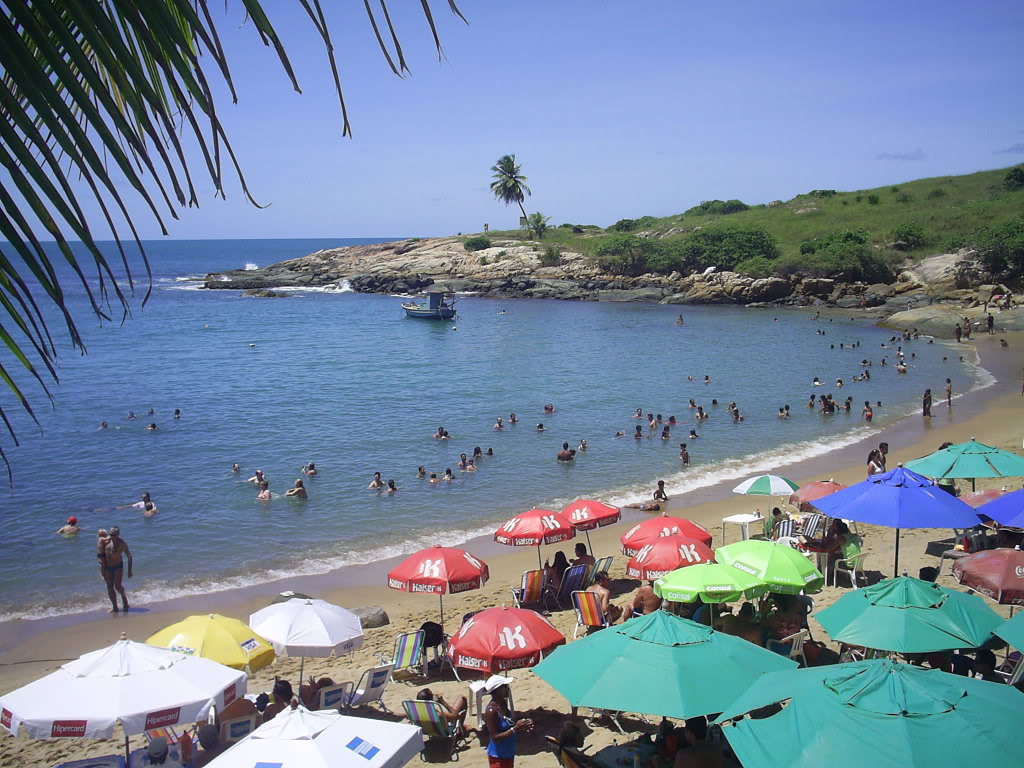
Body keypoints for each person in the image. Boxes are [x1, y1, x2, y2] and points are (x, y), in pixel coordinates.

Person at [483, 676, 531, 768]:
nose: (508, 688)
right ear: (497, 690)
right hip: (498, 757)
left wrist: (524, 724)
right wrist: (515, 728)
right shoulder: (491, 711)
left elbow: (510, 723)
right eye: (505, 686)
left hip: (509, 753)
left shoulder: (503, 704)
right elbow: (495, 737)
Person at [98, 526, 132, 613]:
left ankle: (124, 599)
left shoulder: (122, 543)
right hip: (108, 567)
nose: (112, 537)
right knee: (109, 586)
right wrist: (101, 564)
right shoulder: (105, 541)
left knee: (117, 586)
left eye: (114, 535)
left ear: (118, 535)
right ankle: (115, 607)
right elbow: (100, 549)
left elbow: (129, 556)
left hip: (118, 567)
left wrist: (129, 570)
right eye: (111, 535)